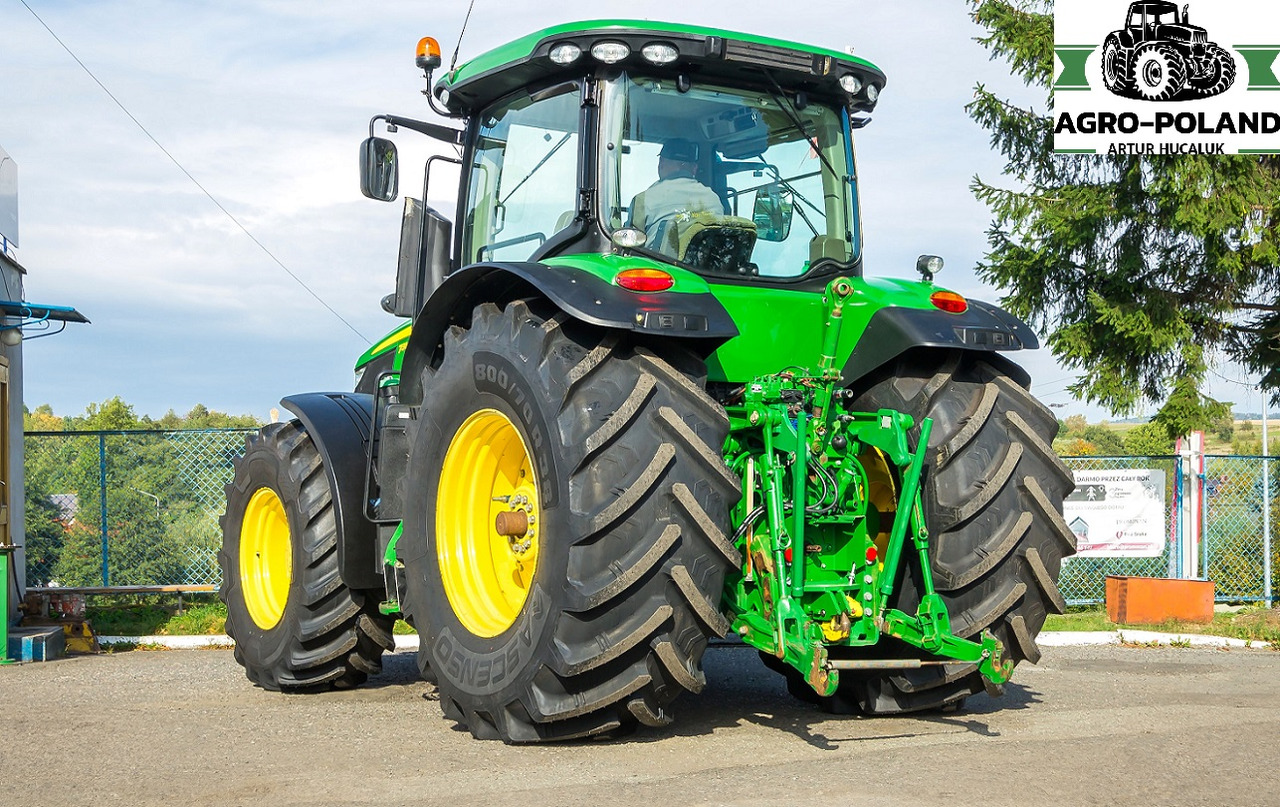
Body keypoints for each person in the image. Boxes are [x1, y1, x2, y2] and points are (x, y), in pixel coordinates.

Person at [628, 139, 725, 242]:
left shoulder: (644, 199)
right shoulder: (714, 198)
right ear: (694, 168)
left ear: (661, 164)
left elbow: (630, 242)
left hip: (657, 258)